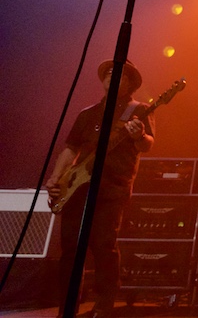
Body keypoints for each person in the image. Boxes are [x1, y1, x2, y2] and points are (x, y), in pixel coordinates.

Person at [45, 59, 155, 318]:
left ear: (129, 82)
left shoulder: (139, 110)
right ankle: (67, 308)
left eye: (118, 73)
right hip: (78, 189)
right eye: (107, 72)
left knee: (104, 245)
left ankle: (104, 306)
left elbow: (148, 145)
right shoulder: (88, 113)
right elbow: (71, 148)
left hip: (112, 188)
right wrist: (55, 178)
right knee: (71, 249)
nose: (110, 75)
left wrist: (138, 135)